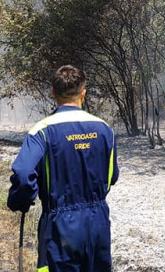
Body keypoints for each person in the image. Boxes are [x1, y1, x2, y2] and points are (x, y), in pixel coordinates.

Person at [7, 65, 119, 272]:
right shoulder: (104, 129)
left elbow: (23, 175)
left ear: (52, 93)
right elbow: (111, 177)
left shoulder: (41, 131)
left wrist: (20, 200)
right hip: (98, 223)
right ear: (83, 93)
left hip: (60, 226)